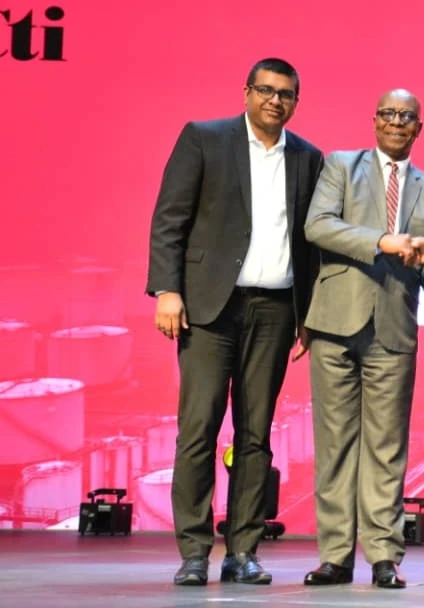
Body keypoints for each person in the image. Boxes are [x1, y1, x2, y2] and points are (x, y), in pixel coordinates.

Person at [146, 57, 323, 586]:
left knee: (256, 435)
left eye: (286, 94)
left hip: (275, 309)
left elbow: (310, 245)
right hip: (207, 308)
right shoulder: (205, 138)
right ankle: (195, 551)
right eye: (266, 90)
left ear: (296, 101)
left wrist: (307, 315)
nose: (275, 100)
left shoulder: (308, 158)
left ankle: (242, 550)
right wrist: (168, 290)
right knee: (197, 429)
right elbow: (169, 218)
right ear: (247, 92)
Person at [301, 89, 424, 589]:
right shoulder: (342, 166)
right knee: (335, 445)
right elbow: (317, 225)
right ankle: (335, 555)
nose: (397, 123)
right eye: (389, 114)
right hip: (334, 322)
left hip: (393, 326)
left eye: (408, 117)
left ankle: (384, 555)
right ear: (374, 120)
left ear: (419, 128)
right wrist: (381, 241)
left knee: (387, 447)